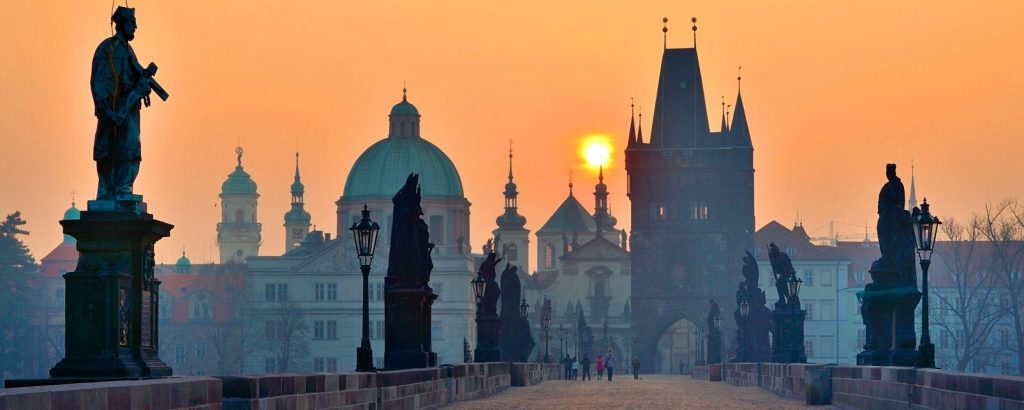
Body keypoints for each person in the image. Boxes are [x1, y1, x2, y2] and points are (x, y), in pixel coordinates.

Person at [92, 6, 161, 200]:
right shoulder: (107, 48)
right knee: (107, 148)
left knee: (130, 146)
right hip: (112, 109)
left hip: (129, 109)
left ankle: (124, 187)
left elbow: (135, 75)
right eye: (132, 22)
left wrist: (142, 88)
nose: (136, 26)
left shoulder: (129, 51)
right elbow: (98, 79)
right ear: (121, 23)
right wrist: (106, 108)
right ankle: (105, 189)